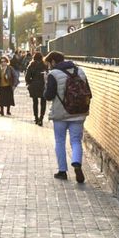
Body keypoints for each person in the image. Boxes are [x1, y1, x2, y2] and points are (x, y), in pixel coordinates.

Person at [43, 50, 89, 183]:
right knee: (76, 140)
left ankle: (62, 171)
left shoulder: (54, 74)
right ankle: (76, 163)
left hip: (60, 114)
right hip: (78, 113)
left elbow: (48, 96)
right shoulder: (80, 71)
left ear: (53, 61)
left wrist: (46, 83)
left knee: (60, 141)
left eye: (49, 63)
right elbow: (88, 92)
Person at [24, 56, 48, 125]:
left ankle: (36, 117)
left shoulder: (31, 65)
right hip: (43, 86)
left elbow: (27, 77)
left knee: (35, 102)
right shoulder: (45, 65)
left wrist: (30, 83)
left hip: (34, 86)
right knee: (43, 102)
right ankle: (41, 118)